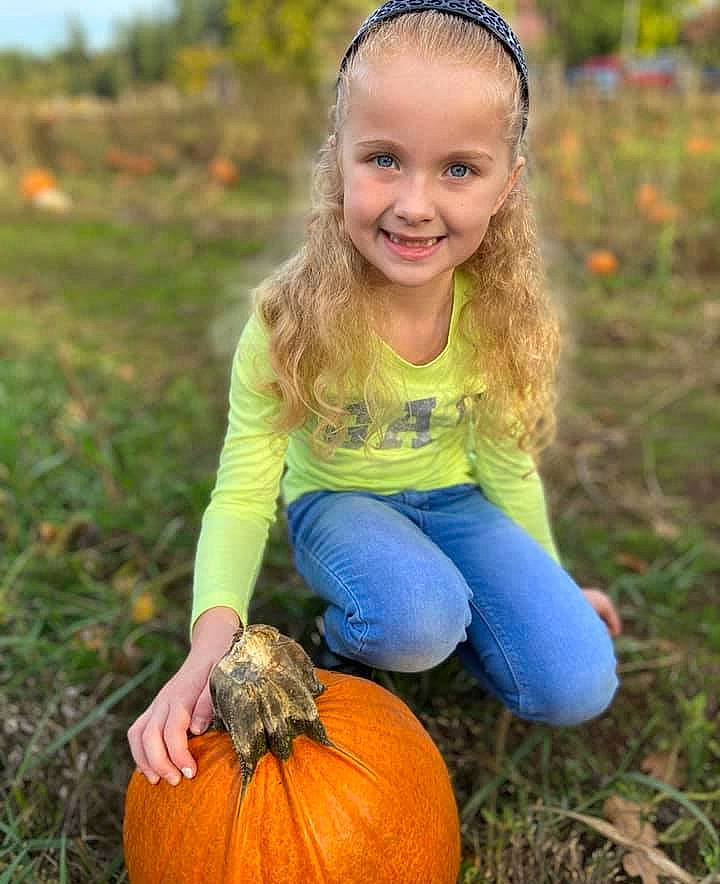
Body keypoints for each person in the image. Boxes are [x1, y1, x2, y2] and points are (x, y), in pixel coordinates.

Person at [128, 0, 622, 787]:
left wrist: (552, 581)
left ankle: (466, 620)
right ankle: (349, 641)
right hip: (339, 507)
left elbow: (507, 463)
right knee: (416, 615)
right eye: (384, 158)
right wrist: (208, 644)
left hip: (457, 504)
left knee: (579, 681)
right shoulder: (289, 319)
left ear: (506, 184)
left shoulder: (502, 319)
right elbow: (245, 494)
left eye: (459, 168)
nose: (415, 203)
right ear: (337, 158)